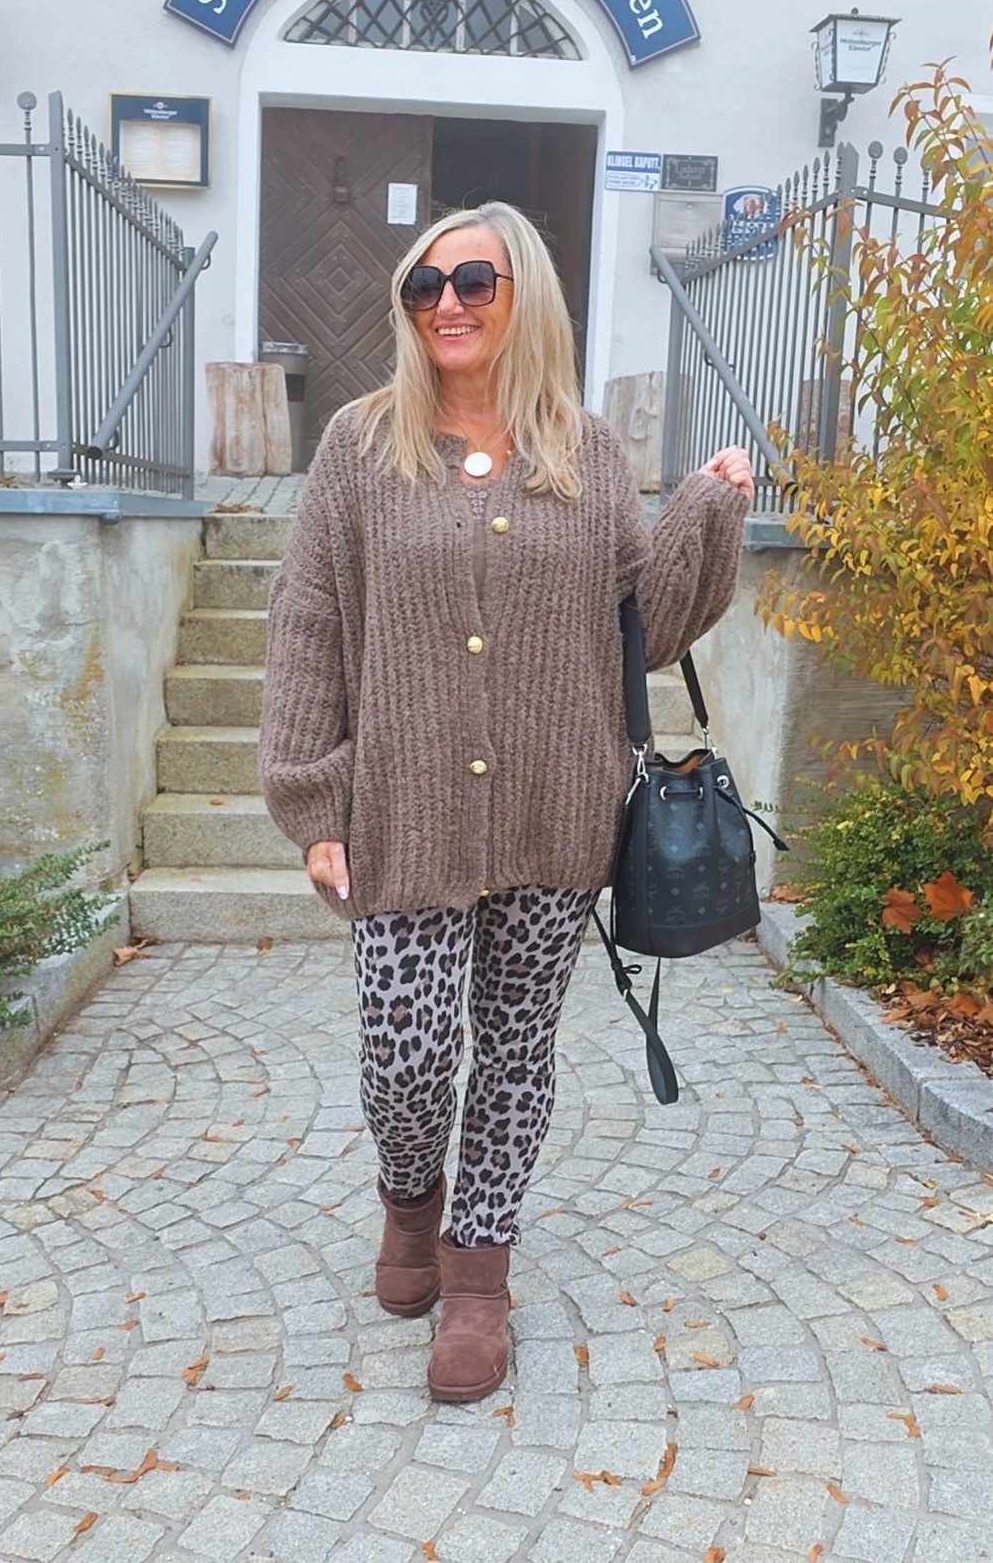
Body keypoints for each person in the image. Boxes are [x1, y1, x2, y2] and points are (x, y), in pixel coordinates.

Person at [259, 201, 753, 1403]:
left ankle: (478, 1274)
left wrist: (705, 509)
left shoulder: (586, 453)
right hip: (404, 806)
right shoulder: (360, 445)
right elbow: (309, 619)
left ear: (521, 292)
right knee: (407, 1047)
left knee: (518, 1046)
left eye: (473, 281)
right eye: (424, 286)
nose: (447, 305)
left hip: (552, 803)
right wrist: (314, 799)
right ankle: (408, 1203)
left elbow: (643, 627)